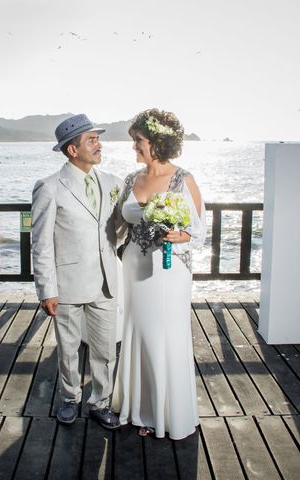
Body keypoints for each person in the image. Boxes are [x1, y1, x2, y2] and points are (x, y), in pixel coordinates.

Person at [111, 108, 205, 440]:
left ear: (158, 142)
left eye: (138, 141)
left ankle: (164, 414)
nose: (134, 147)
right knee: (137, 330)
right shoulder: (129, 180)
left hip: (168, 271)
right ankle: (138, 407)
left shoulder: (184, 180)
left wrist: (182, 237)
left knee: (164, 334)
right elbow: (118, 223)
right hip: (134, 265)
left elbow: (199, 232)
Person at [31, 114, 125, 430]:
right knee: (68, 350)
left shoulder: (113, 183)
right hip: (67, 284)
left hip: (106, 281)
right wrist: (47, 290)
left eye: (98, 139)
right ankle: (70, 399)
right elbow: (40, 243)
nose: (99, 145)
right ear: (73, 150)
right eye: (92, 140)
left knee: (105, 349)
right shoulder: (49, 187)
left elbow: (117, 233)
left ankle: (100, 402)